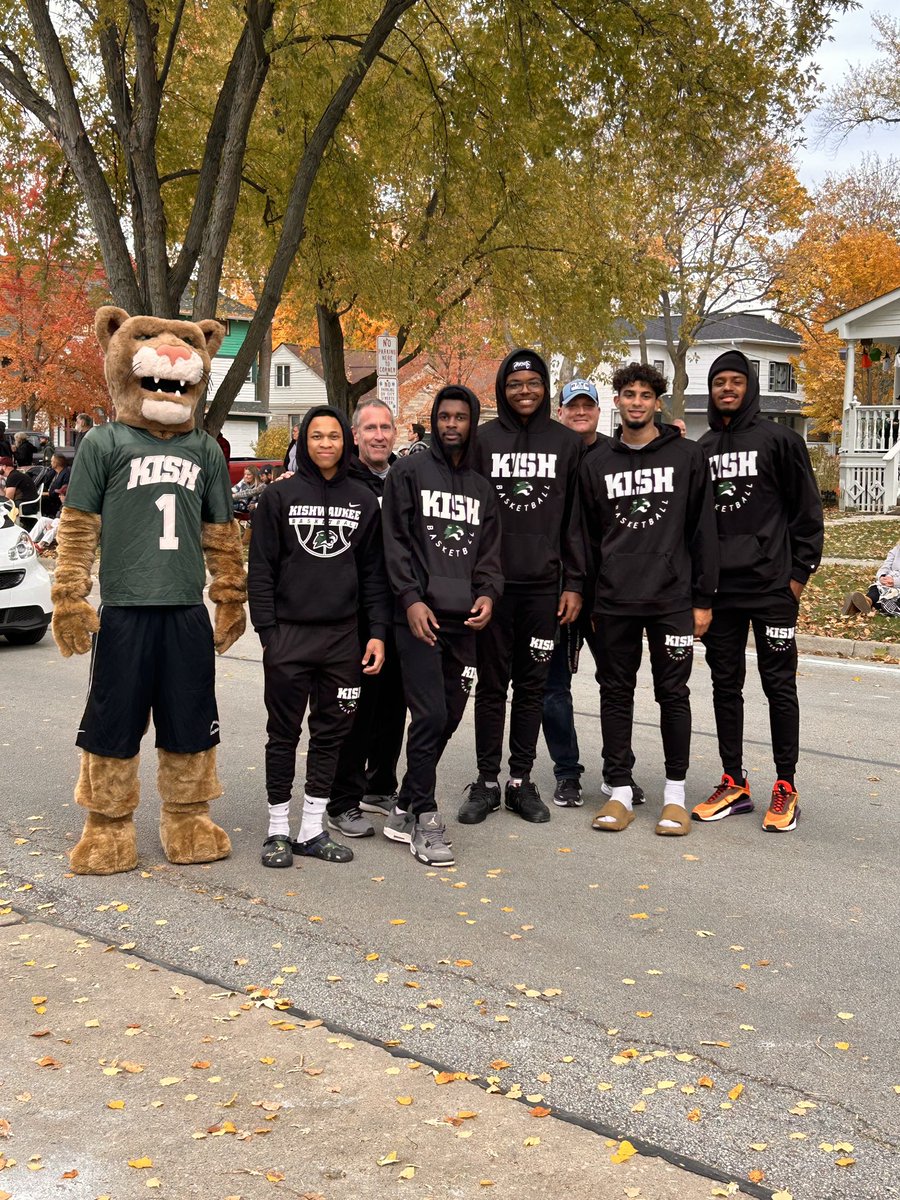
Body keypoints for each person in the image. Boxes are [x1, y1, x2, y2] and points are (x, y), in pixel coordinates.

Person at [248, 405, 390, 869]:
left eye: (333, 436)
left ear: (344, 442)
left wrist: (377, 634)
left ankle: (311, 829)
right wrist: (269, 633)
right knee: (283, 734)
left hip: (342, 640)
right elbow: (262, 570)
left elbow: (373, 575)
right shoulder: (278, 499)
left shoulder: (363, 500)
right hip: (289, 636)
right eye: (316, 436)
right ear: (303, 442)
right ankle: (277, 829)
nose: (326, 444)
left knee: (331, 735)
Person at [581, 362, 718, 835]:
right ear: (615, 401)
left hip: (673, 600)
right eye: (628, 394)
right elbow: (586, 538)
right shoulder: (596, 463)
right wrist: (591, 596)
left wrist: (703, 598)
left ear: (658, 403)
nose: (636, 402)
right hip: (615, 600)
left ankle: (675, 795)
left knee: (673, 695)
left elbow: (703, 530)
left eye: (645, 395)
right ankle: (619, 791)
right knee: (615, 694)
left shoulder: (686, 456)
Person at [692, 350, 823, 833]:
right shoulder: (701, 450)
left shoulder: (780, 441)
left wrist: (797, 576)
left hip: (771, 588)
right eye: (719, 382)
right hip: (721, 593)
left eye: (735, 381)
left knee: (778, 687)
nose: (727, 389)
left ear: (749, 387)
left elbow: (807, 512)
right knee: (725, 687)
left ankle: (785, 784)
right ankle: (734, 781)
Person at [462, 348, 584, 825]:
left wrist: (573, 582)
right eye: (515, 384)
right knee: (491, 687)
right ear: (502, 390)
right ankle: (487, 781)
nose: (525, 391)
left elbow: (576, 523)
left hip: (542, 590)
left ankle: (520, 781)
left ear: (545, 387)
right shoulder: (482, 442)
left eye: (533, 382)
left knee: (533, 687)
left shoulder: (567, 444)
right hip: (493, 588)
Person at [382, 385, 503, 866]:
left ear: (471, 423)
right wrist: (410, 599)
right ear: (434, 420)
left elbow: (491, 555)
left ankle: (406, 801)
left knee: (449, 716)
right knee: (429, 714)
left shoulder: (480, 486)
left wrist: (489, 596)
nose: (452, 424)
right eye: (445, 416)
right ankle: (426, 818)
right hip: (418, 617)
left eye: (461, 417)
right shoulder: (409, 471)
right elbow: (393, 541)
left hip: (464, 622)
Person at [540, 378, 645, 809]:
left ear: (601, 410)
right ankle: (567, 772)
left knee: (615, 684)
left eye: (588, 405)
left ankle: (618, 771)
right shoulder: (550, 454)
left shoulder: (616, 455)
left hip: (607, 593)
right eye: (572, 406)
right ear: (560, 411)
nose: (580, 412)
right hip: (557, 591)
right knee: (553, 688)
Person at [328, 399, 407, 838]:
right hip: (354, 614)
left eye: (386, 427)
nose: (379, 435)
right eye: (370, 428)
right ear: (355, 435)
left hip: (400, 611)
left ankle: (380, 785)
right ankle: (342, 797)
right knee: (353, 708)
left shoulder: (404, 478)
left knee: (393, 705)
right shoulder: (341, 482)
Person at [842, 543, 900, 616]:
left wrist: (895, 581)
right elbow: (885, 566)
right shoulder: (896, 549)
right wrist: (881, 577)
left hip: (897, 584)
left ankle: (858, 607)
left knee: (891, 596)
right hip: (887, 581)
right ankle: (866, 602)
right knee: (876, 589)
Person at [2, 461, 40, 530]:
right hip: (31, 504)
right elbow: (4, 495)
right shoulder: (14, 475)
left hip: (26, 506)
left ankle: (8, 530)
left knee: (4, 507)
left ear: (4, 466)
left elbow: (7, 499)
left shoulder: (13, 477)